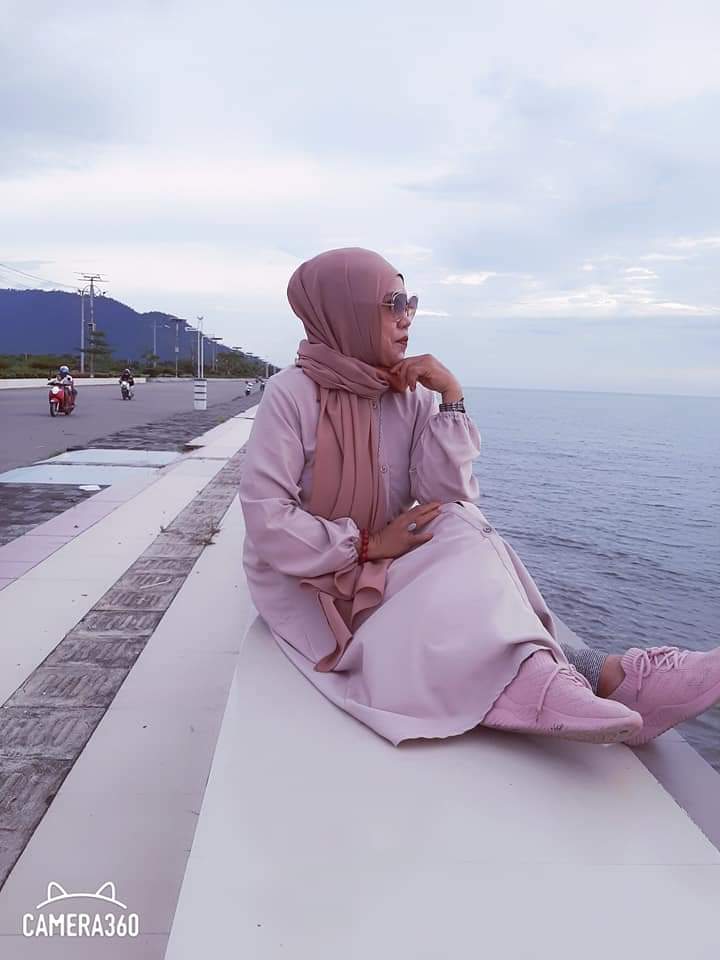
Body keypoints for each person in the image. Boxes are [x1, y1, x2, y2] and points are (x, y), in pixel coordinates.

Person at [238, 248, 720, 748]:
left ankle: (592, 676)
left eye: (411, 302)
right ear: (347, 311)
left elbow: (447, 499)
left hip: (377, 561)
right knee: (462, 603)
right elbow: (267, 519)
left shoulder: (410, 395)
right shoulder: (292, 394)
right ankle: (600, 679)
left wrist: (451, 397)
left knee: (462, 526)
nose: (407, 317)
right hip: (307, 578)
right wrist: (367, 545)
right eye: (393, 303)